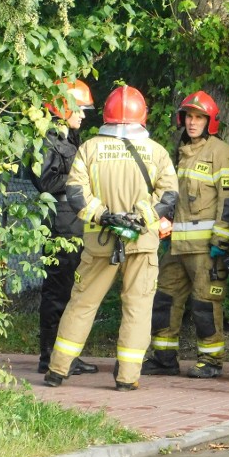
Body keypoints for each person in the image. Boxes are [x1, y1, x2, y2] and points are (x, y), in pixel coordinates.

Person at [44, 85, 179, 391]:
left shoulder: (89, 148)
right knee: (138, 307)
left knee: (81, 304)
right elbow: (169, 193)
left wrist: (103, 215)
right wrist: (139, 217)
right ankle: (127, 378)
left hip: (99, 242)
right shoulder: (156, 151)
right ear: (141, 115)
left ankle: (57, 369)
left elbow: (76, 192)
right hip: (141, 242)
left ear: (106, 115)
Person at [141, 91, 229, 379]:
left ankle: (210, 361)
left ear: (210, 122)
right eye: (189, 116)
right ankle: (164, 358)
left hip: (205, 250)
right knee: (164, 300)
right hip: (176, 247)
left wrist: (221, 241)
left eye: (199, 117)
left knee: (205, 305)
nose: (193, 122)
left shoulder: (220, 152)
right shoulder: (181, 150)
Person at [29, 79, 98, 376]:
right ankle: (49, 356)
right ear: (62, 108)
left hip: (75, 224)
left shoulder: (69, 140)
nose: (84, 116)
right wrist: (81, 177)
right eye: (80, 110)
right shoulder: (46, 140)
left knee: (72, 292)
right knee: (58, 291)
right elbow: (45, 181)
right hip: (60, 226)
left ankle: (67, 354)